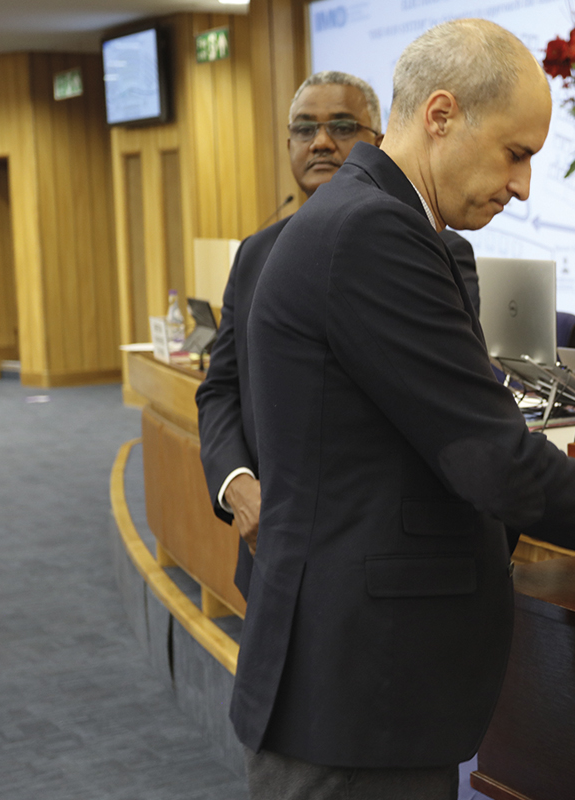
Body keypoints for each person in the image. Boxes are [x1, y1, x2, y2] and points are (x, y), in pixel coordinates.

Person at [234, 19, 575, 798]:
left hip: (360, 685)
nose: (523, 185)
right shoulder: (373, 230)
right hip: (357, 693)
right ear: (441, 115)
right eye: (515, 153)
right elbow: (490, 457)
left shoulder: (376, 220)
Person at [195, 72, 481, 594]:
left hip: (366, 567)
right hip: (266, 551)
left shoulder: (436, 250)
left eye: (342, 126)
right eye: (305, 129)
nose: (321, 142)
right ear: (289, 144)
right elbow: (220, 389)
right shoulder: (255, 253)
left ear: (377, 140)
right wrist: (237, 485)